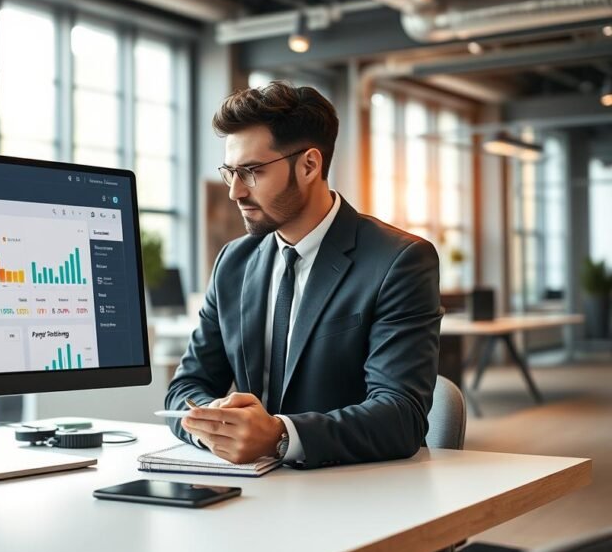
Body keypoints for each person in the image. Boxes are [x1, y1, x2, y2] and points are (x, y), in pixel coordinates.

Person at [165, 80, 441, 469]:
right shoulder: (233, 262)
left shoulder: (399, 260)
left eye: (252, 171)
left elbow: (401, 415)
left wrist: (279, 436)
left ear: (309, 165)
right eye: (231, 172)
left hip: (355, 492)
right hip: (250, 490)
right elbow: (185, 388)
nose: (236, 192)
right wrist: (219, 425)